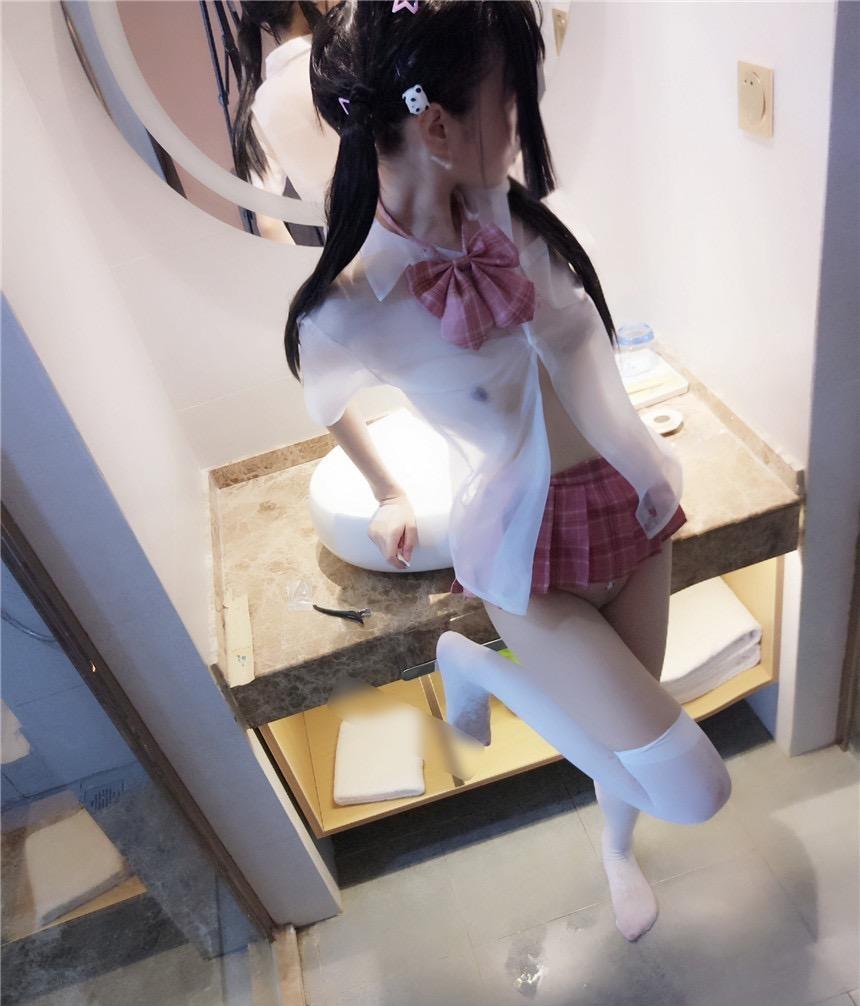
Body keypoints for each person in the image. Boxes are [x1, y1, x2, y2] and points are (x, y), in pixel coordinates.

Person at [283, 0, 732, 942]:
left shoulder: (516, 225)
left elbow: (585, 364)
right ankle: (472, 663)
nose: (523, 122)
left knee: (628, 737)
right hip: (528, 555)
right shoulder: (352, 308)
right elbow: (323, 402)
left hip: (630, 510)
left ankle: (616, 850)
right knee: (692, 785)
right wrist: (390, 490)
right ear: (439, 127)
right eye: (510, 100)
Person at [233, 1, 338, 243]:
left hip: (345, 253)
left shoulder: (259, 107)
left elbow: (268, 223)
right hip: (410, 238)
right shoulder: (347, 63)